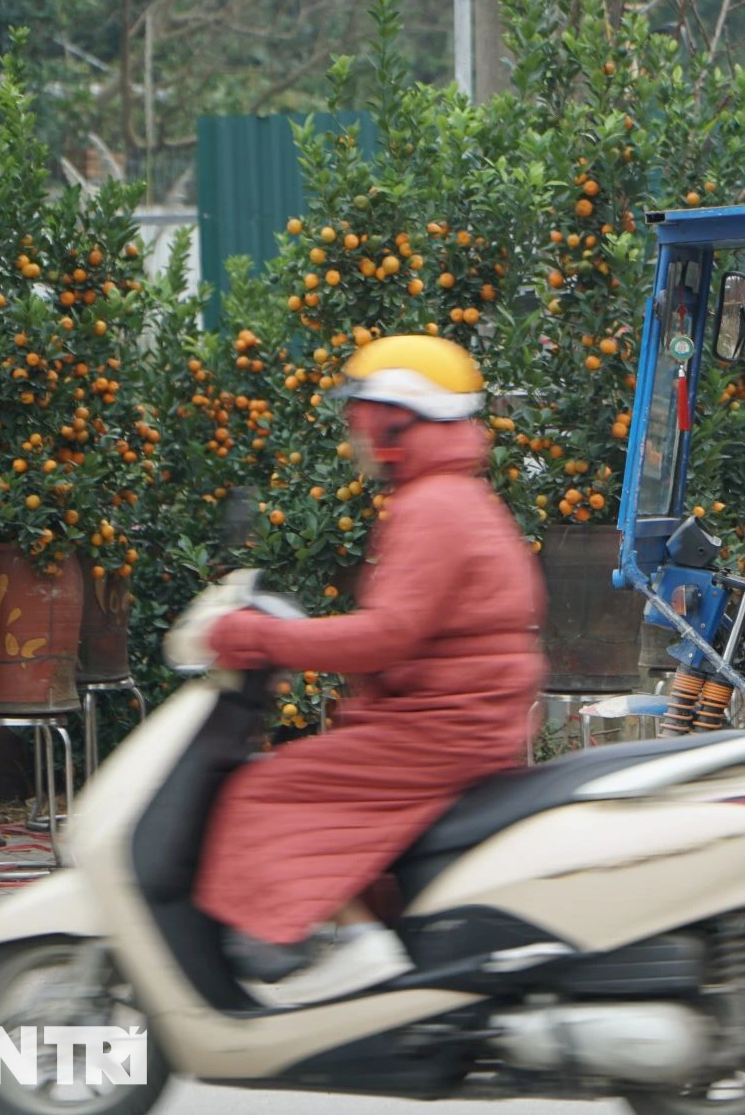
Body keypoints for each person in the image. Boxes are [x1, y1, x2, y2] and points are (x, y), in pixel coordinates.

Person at [193, 335, 546, 1005]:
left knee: (267, 789)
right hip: (454, 720)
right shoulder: (452, 495)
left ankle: (358, 944)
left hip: (441, 729)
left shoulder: (434, 506)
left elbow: (386, 635)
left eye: (360, 417)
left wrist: (260, 637)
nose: (352, 434)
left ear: (396, 423)